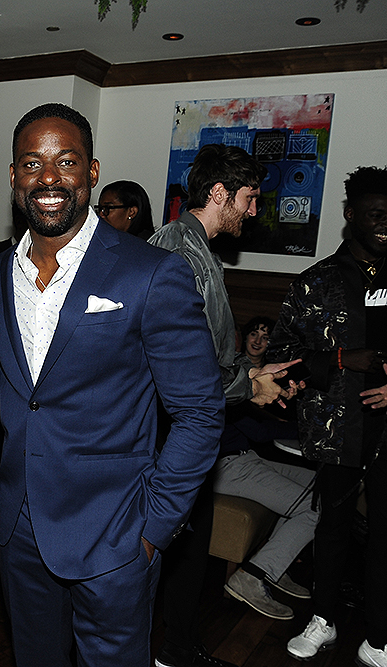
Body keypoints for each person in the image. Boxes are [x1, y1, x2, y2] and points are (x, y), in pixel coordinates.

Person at [0, 102, 225, 667]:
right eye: (31, 163)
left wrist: (154, 527)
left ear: (91, 173)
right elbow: (17, 381)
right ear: (14, 175)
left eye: (66, 162)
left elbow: (200, 412)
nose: (48, 179)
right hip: (19, 525)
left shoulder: (151, 271)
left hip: (117, 532)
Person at [148, 143, 299, 667]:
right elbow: (183, 366)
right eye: (250, 198)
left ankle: (177, 647)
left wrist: (253, 373)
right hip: (169, 431)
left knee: (188, 549)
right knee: (171, 548)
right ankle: (168, 649)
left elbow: (208, 350)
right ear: (220, 193)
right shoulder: (179, 253)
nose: (255, 211)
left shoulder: (198, 250)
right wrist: (247, 386)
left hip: (189, 427)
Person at [269, 165, 387, 666]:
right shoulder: (317, 281)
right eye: (376, 214)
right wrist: (341, 359)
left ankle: (380, 636)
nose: (386, 224)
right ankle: (323, 619)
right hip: (337, 428)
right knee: (333, 526)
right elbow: (280, 354)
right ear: (350, 215)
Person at [212, 316, 317, 621]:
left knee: (322, 485)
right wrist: (306, 433)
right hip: (226, 466)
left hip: (245, 458)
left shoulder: (240, 373)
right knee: (315, 509)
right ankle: (251, 577)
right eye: (249, 334)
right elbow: (257, 429)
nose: (255, 341)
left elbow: (260, 424)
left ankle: (274, 565)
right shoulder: (223, 378)